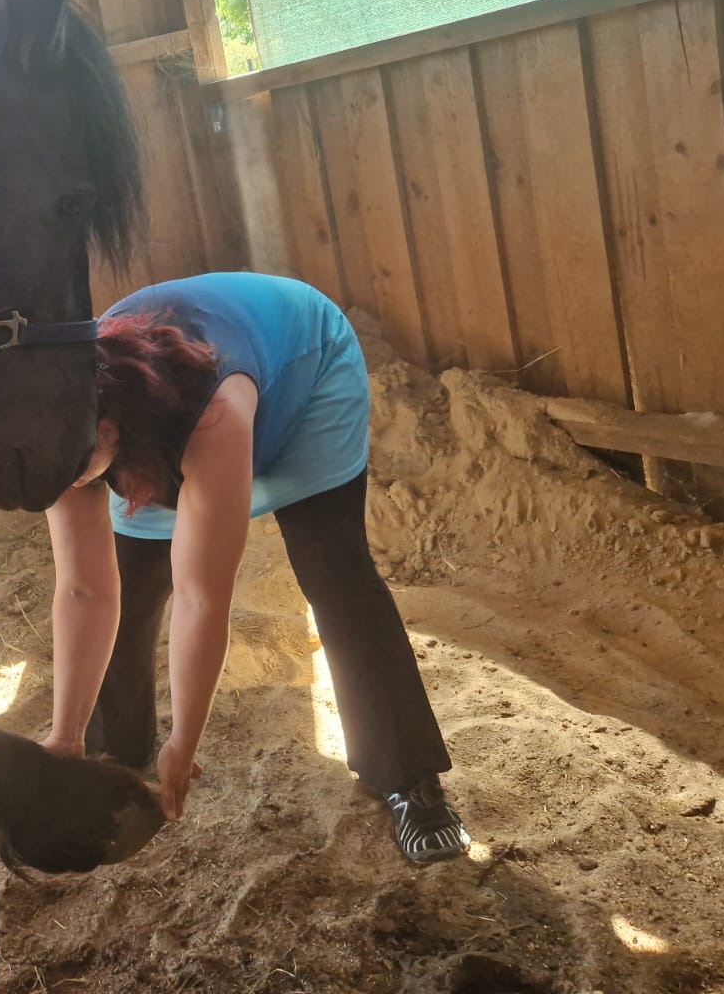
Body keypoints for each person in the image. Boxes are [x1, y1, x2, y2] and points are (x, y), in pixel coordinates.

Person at [38, 271, 469, 864]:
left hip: (303, 373)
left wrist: (185, 744)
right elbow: (85, 590)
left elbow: (203, 599)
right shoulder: (54, 429)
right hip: (151, 425)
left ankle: (407, 775)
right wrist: (64, 734)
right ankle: (112, 751)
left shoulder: (211, 416)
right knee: (132, 583)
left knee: (334, 571)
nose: (68, 491)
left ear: (106, 431)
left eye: (75, 477)